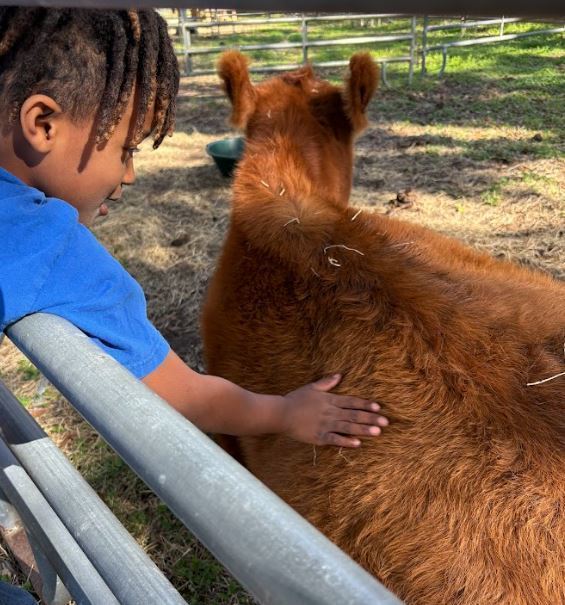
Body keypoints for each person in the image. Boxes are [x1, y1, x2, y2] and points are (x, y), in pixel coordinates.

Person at [0, 8, 388, 447]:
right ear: (42, 124)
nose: (128, 175)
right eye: (127, 150)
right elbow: (186, 395)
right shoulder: (49, 244)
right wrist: (284, 412)